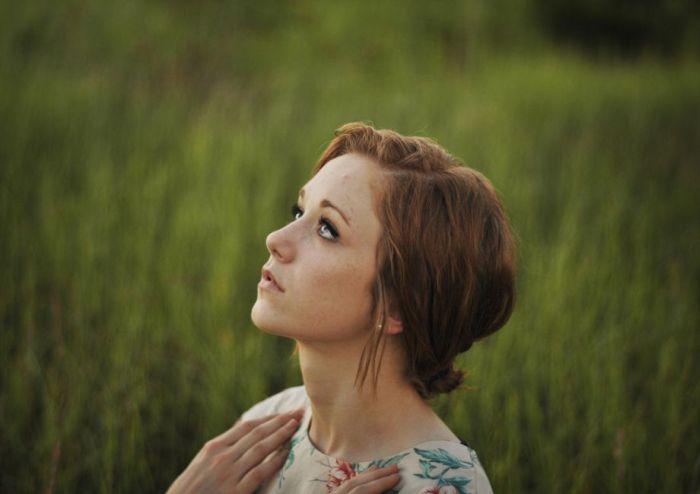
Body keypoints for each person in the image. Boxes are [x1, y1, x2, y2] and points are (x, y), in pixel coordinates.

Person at [167, 123, 516, 493]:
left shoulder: (445, 485)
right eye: (298, 212)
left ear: (397, 304)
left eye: (327, 229)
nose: (275, 239)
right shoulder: (265, 427)